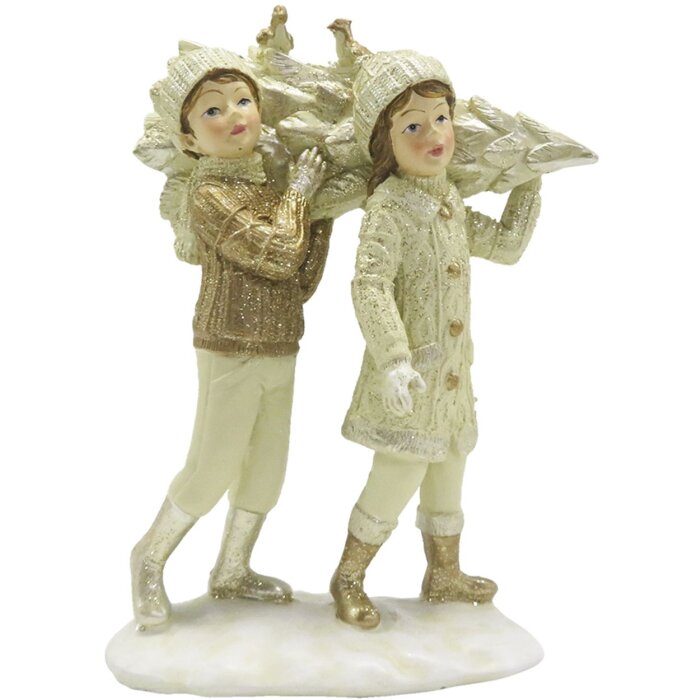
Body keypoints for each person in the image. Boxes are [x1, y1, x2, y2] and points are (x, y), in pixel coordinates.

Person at [331, 51, 542, 629]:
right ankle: (348, 576)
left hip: (451, 379)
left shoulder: (449, 201)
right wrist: (394, 359)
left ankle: (444, 573)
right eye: (413, 126)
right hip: (411, 379)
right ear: (386, 143)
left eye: (441, 118)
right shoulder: (388, 208)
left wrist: (529, 180)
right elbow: (370, 284)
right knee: (397, 474)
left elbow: (506, 246)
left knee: (449, 468)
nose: (434, 135)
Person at [131, 45, 329, 629]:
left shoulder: (271, 191)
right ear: (188, 138)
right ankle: (149, 558)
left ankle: (232, 568)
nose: (235, 115)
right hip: (228, 344)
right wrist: (303, 196)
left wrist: (321, 215)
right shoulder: (210, 195)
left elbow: (300, 278)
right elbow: (280, 251)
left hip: (283, 343)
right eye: (213, 110)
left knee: (268, 468)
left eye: (244, 100)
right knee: (211, 467)